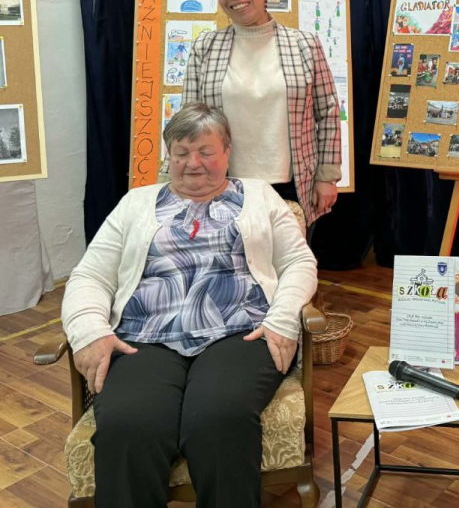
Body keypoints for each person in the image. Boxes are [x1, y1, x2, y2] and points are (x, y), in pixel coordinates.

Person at [62, 104, 318, 507]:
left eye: (205, 151)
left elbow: (299, 262)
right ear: (169, 155)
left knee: (217, 419)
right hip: (143, 336)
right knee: (129, 424)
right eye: (181, 152)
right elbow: (90, 275)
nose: (192, 163)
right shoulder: (136, 202)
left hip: (241, 331)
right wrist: (89, 331)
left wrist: (284, 318)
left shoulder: (260, 196)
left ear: (227, 151)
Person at [180, 0, 341, 227]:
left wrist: (327, 176)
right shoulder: (205, 46)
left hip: (293, 187)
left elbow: (327, 112)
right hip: (221, 186)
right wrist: (176, 177)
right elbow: (188, 121)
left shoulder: (304, 44)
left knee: (290, 257)